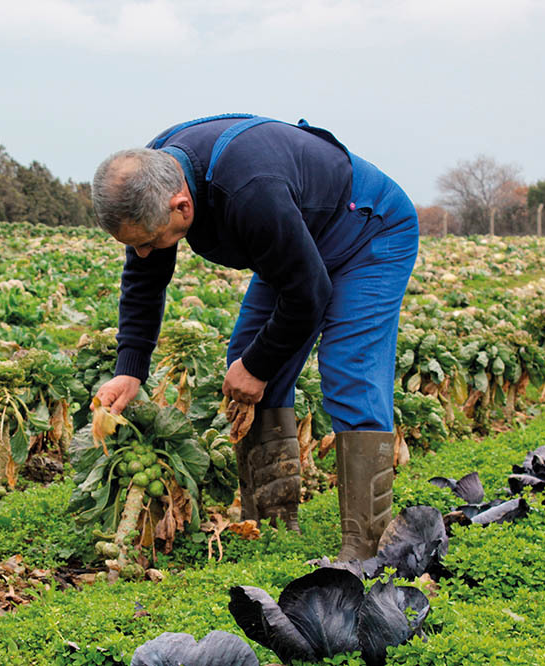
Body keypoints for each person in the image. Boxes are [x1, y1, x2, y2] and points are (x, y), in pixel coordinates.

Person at [91, 114, 419, 561]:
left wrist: (259, 367)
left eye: (149, 240)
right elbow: (144, 280)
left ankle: (366, 547)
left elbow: (308, 295)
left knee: (348, 370)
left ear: (182, 207)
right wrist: (130, 370)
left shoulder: (249, 191)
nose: (144, 252)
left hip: (368, 230)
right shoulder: (152, 175)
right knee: (243, 363)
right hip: (294, 239)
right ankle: (274, 525)